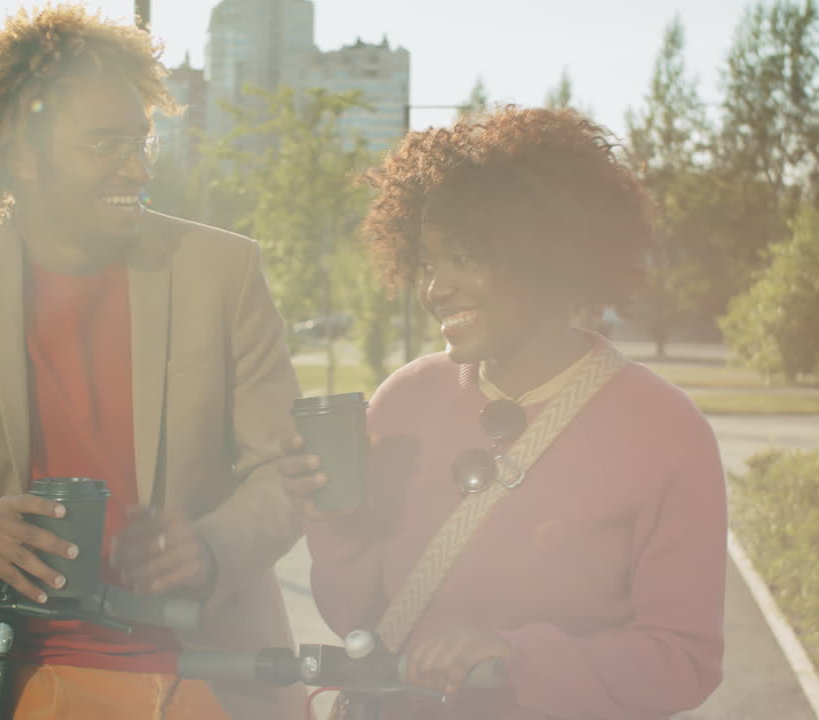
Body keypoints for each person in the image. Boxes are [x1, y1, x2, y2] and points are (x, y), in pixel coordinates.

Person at [0, 6, 304, 719]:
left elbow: (287, 470)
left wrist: (210, 546)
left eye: (140, 142)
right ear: (21, 155)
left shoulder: (222, 271)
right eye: (104, 145)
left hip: (204, 672)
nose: (136, 167)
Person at [281, 107, 727, 719]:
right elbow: (358, 620)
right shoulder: (403, 399)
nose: (436, 288)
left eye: (464, 257)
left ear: (545, 252)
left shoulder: (668, 432)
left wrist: (513, 660)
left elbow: (683, 660)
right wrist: (337, 523)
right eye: (429, 263)